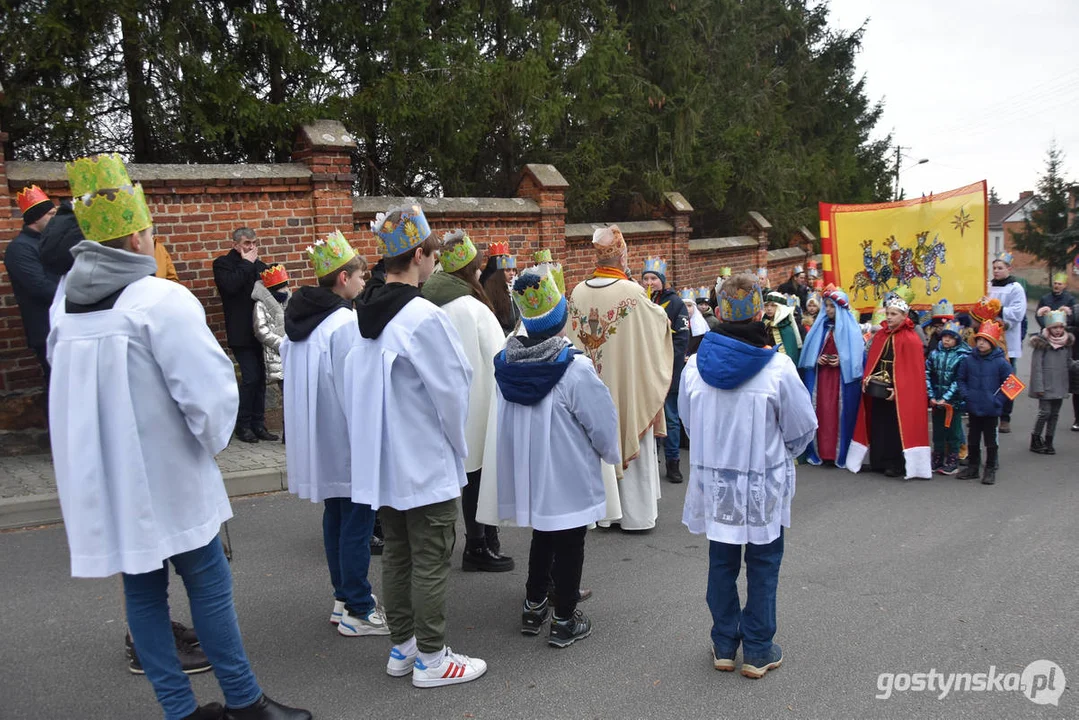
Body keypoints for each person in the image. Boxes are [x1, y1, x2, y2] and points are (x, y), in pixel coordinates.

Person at [49, 153, 309, 720]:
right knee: (209, 583)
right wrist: (210, 441)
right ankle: (244, 704)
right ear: (139, 235)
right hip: (169, 475)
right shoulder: (159, 301)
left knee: (142, 593)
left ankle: (179, 711)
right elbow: (211, 397)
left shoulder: (64, 307)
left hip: (110, 477)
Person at [336, 204, 486, 688]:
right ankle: (432, 658)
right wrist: (457, 446)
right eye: (432, 257)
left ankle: (402, 647)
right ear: (419, 255)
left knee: (398, 552)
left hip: (384, 458)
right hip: (423, 456)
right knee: (431, 554)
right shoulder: (422, 316)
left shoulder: (366, 311)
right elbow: (453, 387)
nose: (434, 265)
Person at [679, 272, 817, 679]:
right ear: (760, 312)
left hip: (717, 483)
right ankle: (757, 648)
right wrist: (787, 454)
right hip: (762, 484)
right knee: (763, 562)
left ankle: (724, 642)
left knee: (721, 561)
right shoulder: (777, 367)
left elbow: (688, 424)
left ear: (719, 312)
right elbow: (801, 427)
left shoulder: (693, 368)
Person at [490, 268, 619, 647]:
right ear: (562, 322)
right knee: (571, 540)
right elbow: (600, 419)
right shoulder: (573, 368)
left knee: (544, 532)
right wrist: (609, 451)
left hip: (530, 465)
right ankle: (564, 616)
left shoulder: (508, 362)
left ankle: (534, 603)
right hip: (567, 467)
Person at [281, 230, 387, 639]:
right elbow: (354, 384)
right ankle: (359, 607)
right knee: (358, 518)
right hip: (345, 436)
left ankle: (343, 598)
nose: (363, 284)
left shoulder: (303, 317)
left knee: (337, 515)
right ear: (343, 279)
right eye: (360, 276)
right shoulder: (343, 322)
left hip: (318, 437)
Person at [420, 230, 513, 573]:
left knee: (466, 474)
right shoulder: (471, 307)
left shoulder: (428, 300)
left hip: (443, 402)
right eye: (477, 269)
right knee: (478, 473)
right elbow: (498, 357)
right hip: (478, 402)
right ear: (470, 272)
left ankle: (483, 538)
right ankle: (479, 543)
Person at [568, 226, 672, 531]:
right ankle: (634, 515)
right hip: (626, 386)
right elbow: (657, 327)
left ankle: (599, 512)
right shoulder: (632, 293)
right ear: (622, 254)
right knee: (627, 424)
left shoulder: (577, 291)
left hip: (590, 384)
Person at [846, 293, 932, 479]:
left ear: (904, 316)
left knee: (895, 427)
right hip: (879, 388)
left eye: (894, 314)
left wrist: (899, 390)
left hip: (898, 393)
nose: (889, 317)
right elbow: (873, 360)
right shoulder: (881, 336)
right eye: (888, 313)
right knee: (877, 423)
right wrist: (868, 379)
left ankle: (896, 464)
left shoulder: (911, 339)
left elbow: (912, 373)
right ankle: (879, 461)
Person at [213, 228, 275, 444]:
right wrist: (247, 264)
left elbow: (269, 291)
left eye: (254, 243)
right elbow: (230, 286)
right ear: (235, 244)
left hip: (261, 331)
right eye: (247, 243)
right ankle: (243, 425)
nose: (251, 247)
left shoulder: (259, 265)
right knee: (250, 378)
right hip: (240, 331)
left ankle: (258, 424)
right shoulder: (223, 264)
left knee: (261, 380)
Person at [798, 290, 864, 467]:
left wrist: (843, 361)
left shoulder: (852, 329)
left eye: (831, 306)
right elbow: (809, 352)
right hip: (822, 378)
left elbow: (857, 357)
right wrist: (816, 358)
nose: (827, 310)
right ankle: (823, 452)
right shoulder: (820, 328)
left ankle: (839, 453)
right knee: (822, 412)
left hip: (840, 380)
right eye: (825, 306)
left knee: (839, 414)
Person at [640, 257, 690, 483]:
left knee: (670, 418)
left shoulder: (676, 304)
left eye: (654, 278)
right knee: (647, 417)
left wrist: (666, 363)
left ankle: (673, 461)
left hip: (668, 370)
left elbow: (681, 340)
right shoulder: (639, 301)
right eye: (646, 278)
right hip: (645, 371)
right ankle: (651, 461)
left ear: (662, 281)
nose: (650, 282)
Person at [4, 184, 58, 379]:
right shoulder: (19, 249)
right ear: (36, 218)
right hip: (45, 329)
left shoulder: (50, 241)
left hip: (63, 324)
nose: (55, 219)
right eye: (51, 214)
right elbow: (40, 287)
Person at [957, 321, 1012, 485]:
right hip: (973, 406)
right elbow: (961, 379)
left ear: (992, 343)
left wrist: (998, 401)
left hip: (991, 409)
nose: (981, 343)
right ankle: (973, 467)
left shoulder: (1001, 362)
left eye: (985, 340)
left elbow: (1011, 384)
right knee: (973, 438)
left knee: (990, 440)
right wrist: (967, 395)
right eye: (979, 339)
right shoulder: (969, 360)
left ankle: (990, 468)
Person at [986, 252, 1027, 433]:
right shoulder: (988, 286)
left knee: (1009, 379)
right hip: (989, 339)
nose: (996, 271)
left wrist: (1000, 311)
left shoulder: (1015, 288)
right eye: (994, 268)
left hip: (1008, 341)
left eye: (1000, 268)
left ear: (1009, 269)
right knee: (989, 378)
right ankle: (988, 413)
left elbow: (1018, 312)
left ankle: (1005, 416)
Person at [1028, 308, 1075, 455]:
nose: (1058, 330)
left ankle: (1049, 440)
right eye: (1055, 327)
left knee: (1055, 414)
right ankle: (1035, 438)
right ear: (1048, 327)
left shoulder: (1066, 344)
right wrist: (1039, 386)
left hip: (1060, 385)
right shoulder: (1041, 344)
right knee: (1044, 413)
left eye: (1061, 327)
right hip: (1046, 385)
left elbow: (1069, 363)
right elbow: (1037, 368)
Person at [926, 321, 970, 474]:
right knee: (938, 431)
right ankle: (937, 456)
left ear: (957, 340)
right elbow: (927, 374)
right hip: (936, 400)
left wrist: (947, 397)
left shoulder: (962, 356)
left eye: (951, 338)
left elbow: (959, 379)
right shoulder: (934, 354)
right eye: (944, 336)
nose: (946, 340)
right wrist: (931, 395)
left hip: (953, 403)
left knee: (953, 430)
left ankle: (953, 458)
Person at [252, 265, 290, 393]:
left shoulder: (288, 301)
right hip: (276, 353)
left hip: (292, 351)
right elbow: (261, 331)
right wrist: (282, 343)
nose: (286, 290)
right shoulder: (260, 305)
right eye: (283, 287)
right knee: (287, 392)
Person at [479, 241, 520, 335]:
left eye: (514, 270)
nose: (512, 273)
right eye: (508, 270)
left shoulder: (517, 288)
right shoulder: (492, 288)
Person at [762, 291, 802, 363]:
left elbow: (790, 352)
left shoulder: (786, 328)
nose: (769, 308)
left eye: (773, 305)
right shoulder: (763, 324)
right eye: (766, 305)